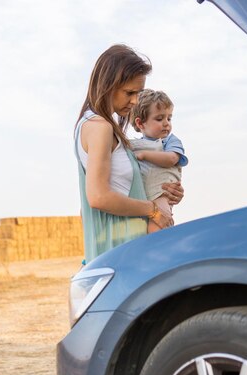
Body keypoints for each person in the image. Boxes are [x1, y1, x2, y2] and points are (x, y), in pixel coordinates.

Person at [74, 44, 183, 262]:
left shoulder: (95, 124)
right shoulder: (99, 126)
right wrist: (153, 210)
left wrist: (165, 191)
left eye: (138, 93)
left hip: (128, 245)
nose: (135, 101)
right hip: (123, 249)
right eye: (129, 93)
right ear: (108, 85)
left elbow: (118, 190)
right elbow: (98, 197)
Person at [130, 89, 188, 233]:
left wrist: (144, 155)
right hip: (142, 198)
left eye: (169, 118)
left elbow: (172, 159)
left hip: (160, 195)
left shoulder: (170, 141)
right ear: (140, 123)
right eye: (159, 119)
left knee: (157, 226)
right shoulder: (135, 145)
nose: (166, 123)